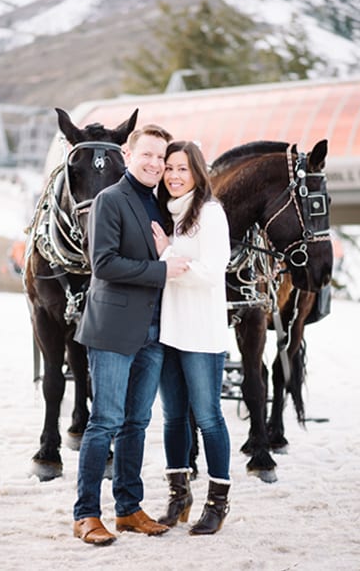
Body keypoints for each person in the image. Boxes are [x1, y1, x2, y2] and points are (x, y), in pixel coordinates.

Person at [72, 124, 190, 546]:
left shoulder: (161, 203)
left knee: (137, 423)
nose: (156, 164)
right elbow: (102, 264)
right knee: (104, 422)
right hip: (113, 329)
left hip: (154, 330)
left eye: (162, 157)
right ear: (128, 153)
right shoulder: (110, 199)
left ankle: (128, 508)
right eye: (149, 155)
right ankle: (86, 514)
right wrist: (161, 270)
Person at [150, 141, 232, 535]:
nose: (174, 175)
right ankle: (178, 495)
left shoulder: (211, 215)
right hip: (170, 331)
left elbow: (210, 274)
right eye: (169, 168)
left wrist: (167, 255)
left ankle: (217, 502)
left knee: (209, 418)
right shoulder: (167, 216)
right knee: (173, 418)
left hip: (202, 333)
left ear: (198, 173)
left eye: (183, 168)